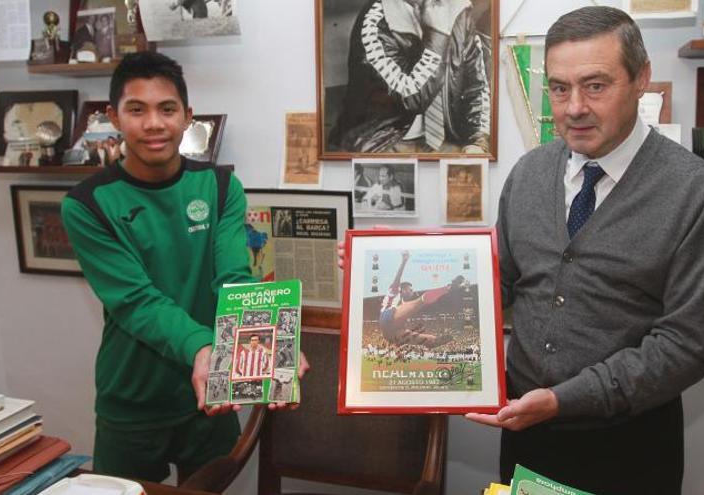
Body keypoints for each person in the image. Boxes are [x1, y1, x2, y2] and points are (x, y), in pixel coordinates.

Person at [461, 7, 704, 494]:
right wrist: (392, 279)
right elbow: (495, 285)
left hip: (630, 449)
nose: (573, 108)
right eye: (560, 87)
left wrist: (564, 400)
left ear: (641, 79)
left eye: (596, 85)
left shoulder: (695, 191)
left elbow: (686, 346)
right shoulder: (527, 174)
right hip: (527, 438)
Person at [62, 52, 307, 483]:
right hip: (133, 402)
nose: (154, 123)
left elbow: (234, 278)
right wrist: (201, 347)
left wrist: (270, 344)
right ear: (113, 117)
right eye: (137, 110)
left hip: (211, 397)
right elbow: (136, 301)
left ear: (187, 116)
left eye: (167, 109)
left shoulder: (220, 186)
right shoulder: (85, 204)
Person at [327, 0, 491, 154]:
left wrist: (478, 140)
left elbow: (477, 87)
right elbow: (411, 99)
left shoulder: (459, 10)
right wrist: (439, 34)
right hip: (383, 143)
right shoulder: (376, 21)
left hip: (447, 138)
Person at [378, 251, 463, 347]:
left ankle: (433, 341)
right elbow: (398, 278)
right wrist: (404, 261)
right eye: (410, 290)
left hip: (390, 334)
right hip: (386, 316)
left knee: (419, 337)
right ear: (403, 290)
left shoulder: (403, 304)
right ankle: (448, 287)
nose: (412, 291)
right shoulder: (395, 292)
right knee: (420, 301)